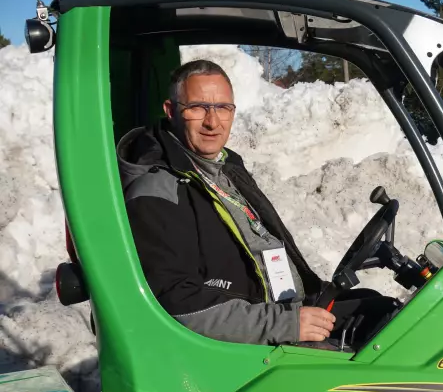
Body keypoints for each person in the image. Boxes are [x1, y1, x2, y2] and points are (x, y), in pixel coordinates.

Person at [116, 59, 337, 345]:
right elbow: (175, 301)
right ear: (171, 112)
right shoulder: (158, 191)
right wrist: (283, 324)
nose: (212, 121)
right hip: (251, 350)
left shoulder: (226, 170)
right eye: (197, 107)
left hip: (285, 317)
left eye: (223, 108)